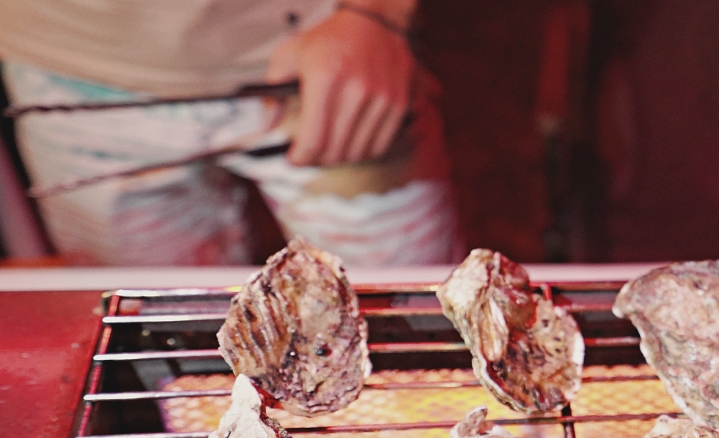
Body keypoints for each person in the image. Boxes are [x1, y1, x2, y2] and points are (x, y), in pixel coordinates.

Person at [0, 0, 461, 267]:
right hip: (67, 71)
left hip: (324, 55)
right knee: (157, 348)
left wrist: (376, 13)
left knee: (405, 327)